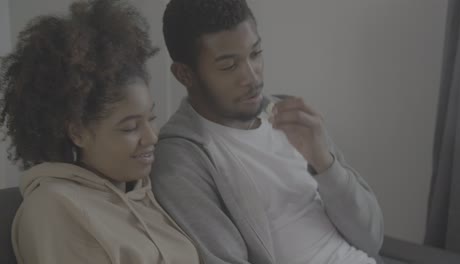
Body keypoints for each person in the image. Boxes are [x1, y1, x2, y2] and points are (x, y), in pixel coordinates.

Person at [151, 0, 384, 263]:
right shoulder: (182, 160)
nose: (252, 77)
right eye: (229, 66)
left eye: (256, 53)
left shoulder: (291, 117)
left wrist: (324, 163)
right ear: (185, 74)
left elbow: (371, 239)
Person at [0, 0, 201, 263]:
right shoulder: (54, 209)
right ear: (78, 132)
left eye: (150, 118)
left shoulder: (143, 190)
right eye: (129, 127)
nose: (152, 137)